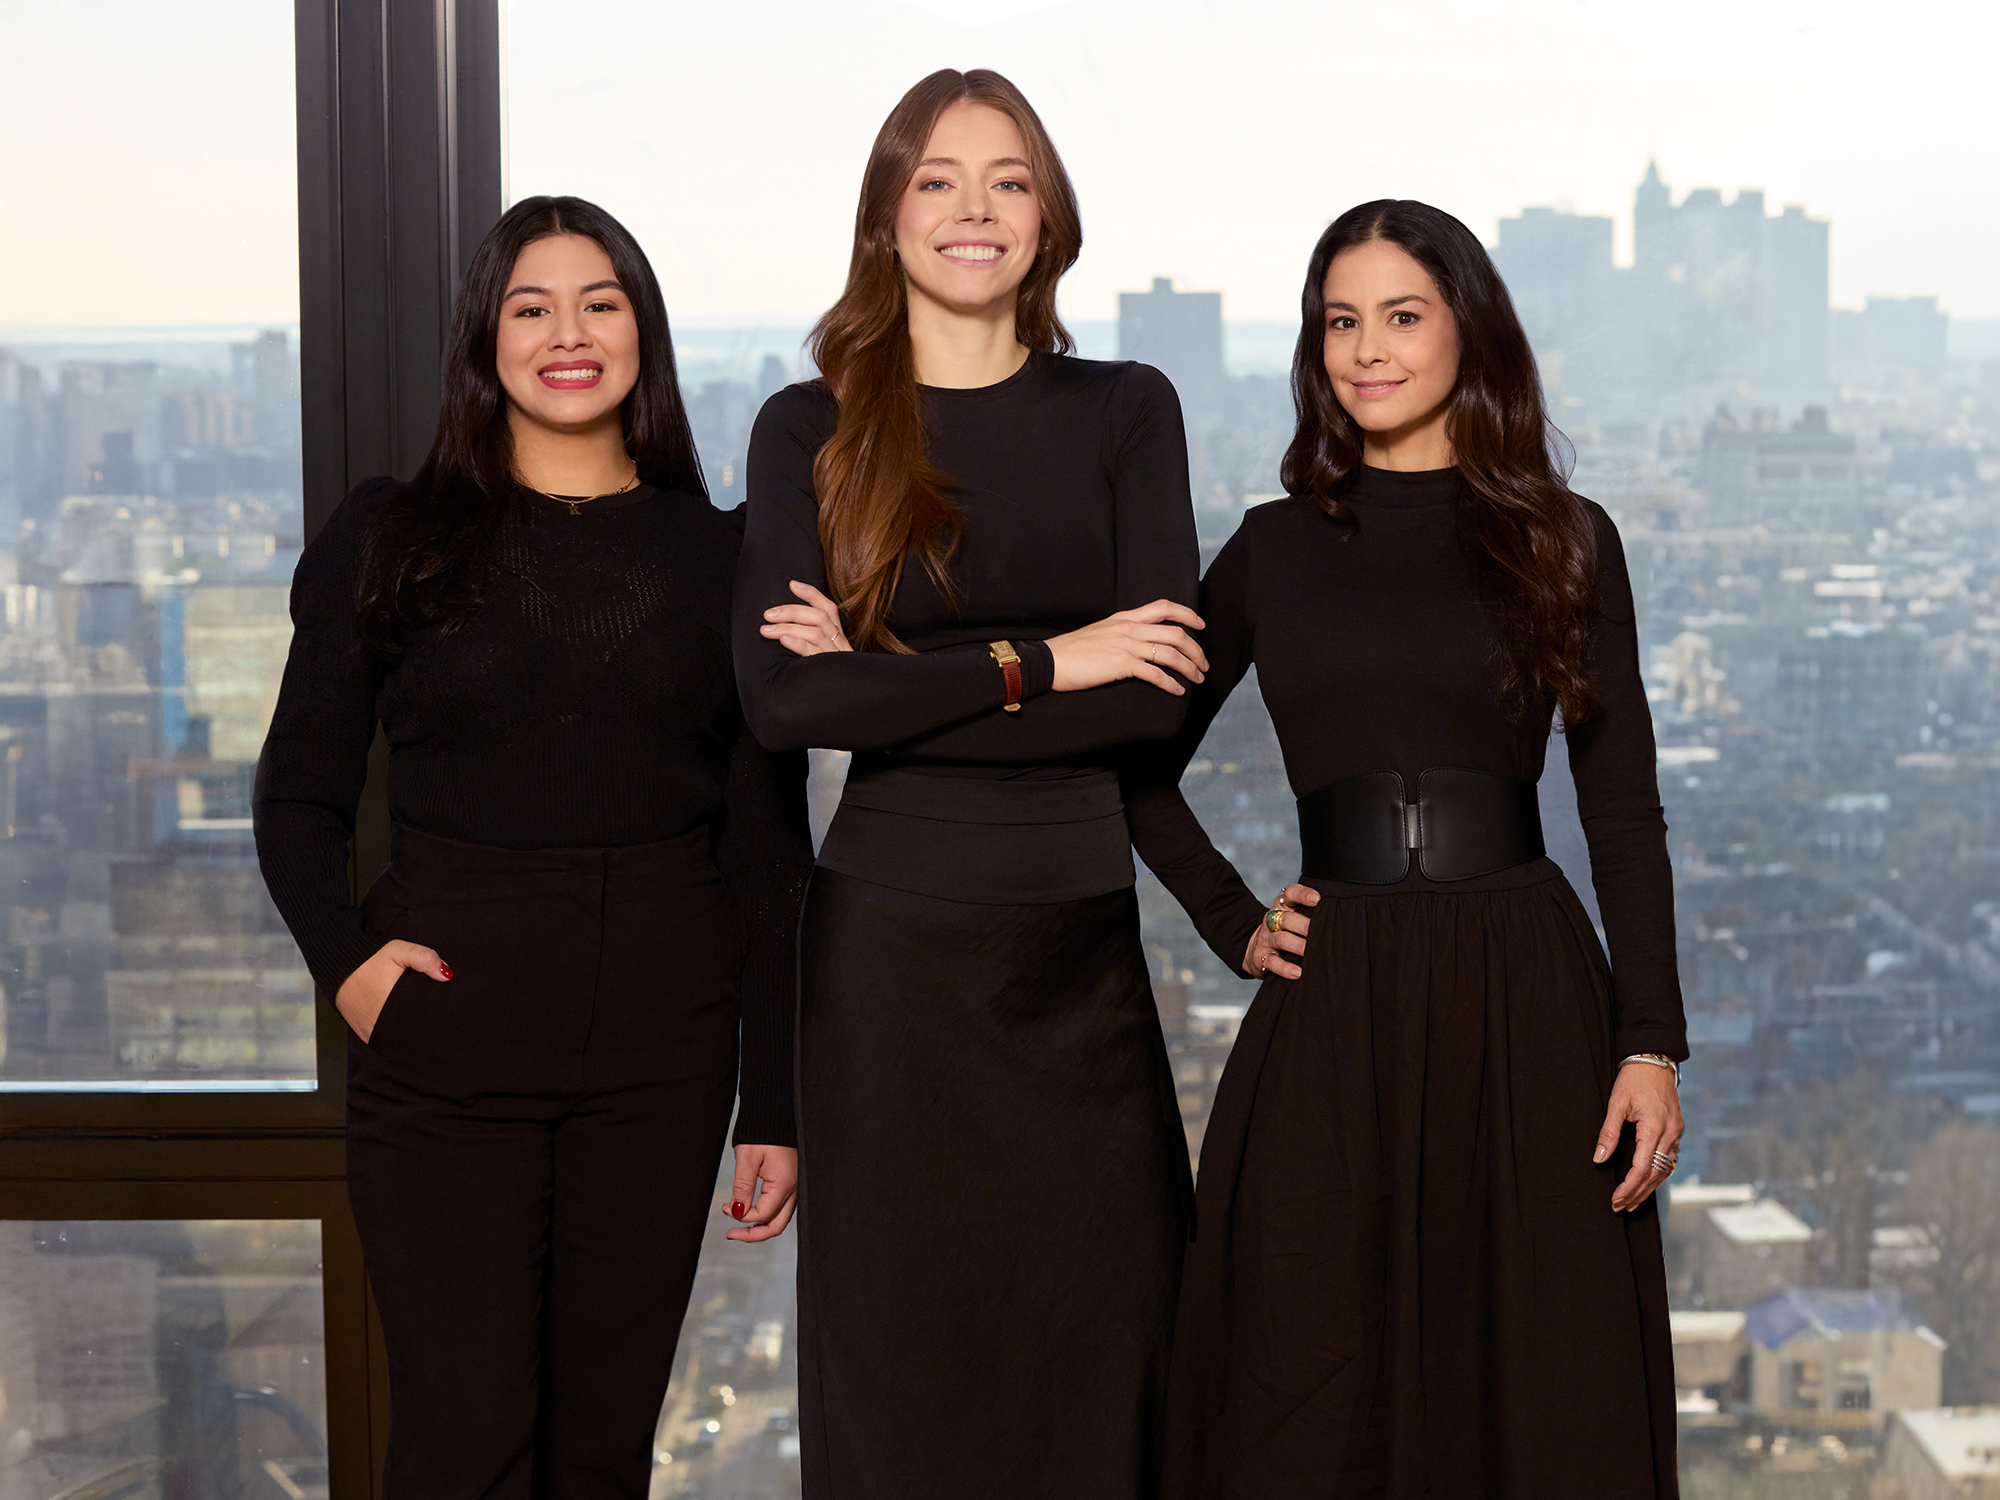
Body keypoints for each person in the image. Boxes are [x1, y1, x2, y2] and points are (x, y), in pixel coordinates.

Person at [1125, 199, 1686, 1499]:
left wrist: (1650, 1042)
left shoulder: (1567, 536)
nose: (1367, 349)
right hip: (1335, 996)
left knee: (1536, 1382)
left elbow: (1623, 808)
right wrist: (1233, 921)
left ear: (1467, 331)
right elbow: (1134, 765)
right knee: (1300, 1378)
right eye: (1341, 321)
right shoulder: (1269, 549)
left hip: (1527, 993)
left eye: (1401, 315)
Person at [254, 195, 811, 1500]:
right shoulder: (392, 535)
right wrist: (351, 969)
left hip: (663, 1057)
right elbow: (297, 798)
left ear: (642, 335)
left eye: (600, 304)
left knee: (601, 1457)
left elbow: (767, 857)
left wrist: (773, 1106)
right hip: (446, 1047)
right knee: (464, 1448)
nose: (569, 335)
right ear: (484, 340)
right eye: (532, 307)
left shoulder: (723, 557)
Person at [734, 67, 1204, 1500]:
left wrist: (891, 682)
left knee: (1111, 1362)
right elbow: (785, 707)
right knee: (904, 1381)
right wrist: (1048, 662)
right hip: (889, 973)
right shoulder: (807, 428)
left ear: (1049, 215)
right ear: (886, 214)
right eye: (936, 179)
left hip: (1078, 955)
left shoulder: (1127, 408)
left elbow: (1154, 704)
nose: (974, 208)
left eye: (1008, 179)